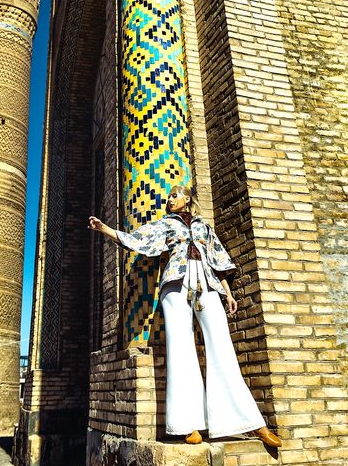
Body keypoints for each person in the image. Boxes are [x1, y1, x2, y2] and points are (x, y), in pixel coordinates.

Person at [88, 184, 282, 447]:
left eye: (174, 195)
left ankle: (250, 422)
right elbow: (138, 240)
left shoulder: (203, 226)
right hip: (175, 285)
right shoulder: (165, 224)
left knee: (222, 346)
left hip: (207, 284)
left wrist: (227, 293)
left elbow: (217, 258)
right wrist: (105, 229)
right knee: (181, 350)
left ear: (187, 199)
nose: (170, 200)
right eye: (169, 196)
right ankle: (187, 424)